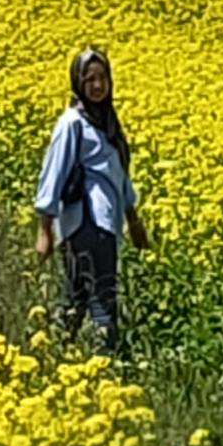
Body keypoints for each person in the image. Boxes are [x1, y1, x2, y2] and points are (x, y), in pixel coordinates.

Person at [33, 47, 151, 354]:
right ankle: (104, 362)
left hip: (106, 222)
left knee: (78, 297)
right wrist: (45, 229)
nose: (98, 86)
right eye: (89, 80)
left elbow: (118, 174)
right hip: (84, 222)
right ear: (78, 83)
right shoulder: (72, 122)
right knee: (102, 298)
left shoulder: (108, 123)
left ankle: (57, 353)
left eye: (103, 78)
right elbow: (53, 173)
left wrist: (133, 220)